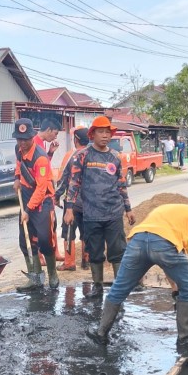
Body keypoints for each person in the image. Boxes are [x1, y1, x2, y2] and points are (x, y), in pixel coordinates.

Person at [87, 203, 188, 353]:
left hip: (137, 241)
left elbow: (164, 258)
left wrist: (175, 288)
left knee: (119, 288)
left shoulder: (172, 211)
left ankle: (101, 333)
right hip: (164, 245)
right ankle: (185, 338)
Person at [64, 116, 135, 298]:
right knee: (94, 252)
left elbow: (121, 185)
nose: (105, 136)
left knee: (118, 251)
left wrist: (128, 209)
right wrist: (69, 209)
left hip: (113, 213)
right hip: (91, 214)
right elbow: (74, 183)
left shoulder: (115, 157)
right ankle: (97, 286)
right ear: (92, 134)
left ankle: (119, 289)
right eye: (101, 132)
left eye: (107, 132)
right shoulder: (82, 156)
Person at [13, 117, 60, 291]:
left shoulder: (40, 158)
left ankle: (53, 274)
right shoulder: (19, 149)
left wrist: (28, 209)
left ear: (32, 137)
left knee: (45, 240)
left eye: (25, 139)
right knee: (24, 240)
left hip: (42, 201)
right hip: (25, 195)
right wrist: (17, 178)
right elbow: (19, 164)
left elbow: (41, 189)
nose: (22, 143)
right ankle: (35, 277)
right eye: (19, 139)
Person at [54, 127, 90, 272]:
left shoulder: (73, 156)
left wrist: (56, 196)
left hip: (73, 203)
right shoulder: (94, 155)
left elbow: (64, 179)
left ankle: (69, 263)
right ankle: (86, 261)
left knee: (68, 231)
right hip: (89, 203)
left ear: (76, 140)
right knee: (86, 232)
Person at [34, 117, 65, 263]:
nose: (55, 136)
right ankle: (40, 256)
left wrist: (51, 152)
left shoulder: (42, 145)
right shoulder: (34, 144)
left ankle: (55, 252)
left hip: (48, 191)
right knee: (42, 225)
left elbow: (44, 165)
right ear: (49, 130)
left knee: (52, 223)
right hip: (41, 192)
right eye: (55, 133)